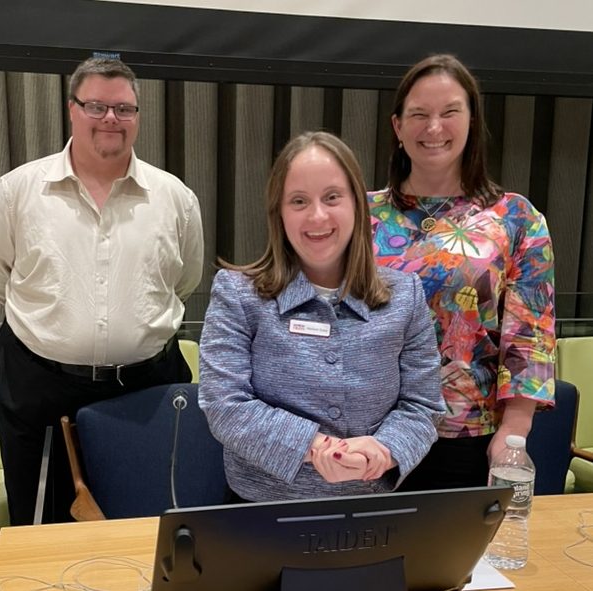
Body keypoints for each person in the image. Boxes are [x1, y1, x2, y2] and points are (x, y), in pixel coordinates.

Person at [0, 57, 203, 525]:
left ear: (138, 116)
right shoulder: (19, 191)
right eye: (96, 106)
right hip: (40, 390)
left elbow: (184, 281)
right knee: (42, 532)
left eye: (124, 109)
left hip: (145, 390)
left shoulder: (174, 198)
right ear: (72, 109)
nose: (111, 120)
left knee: (143, 528)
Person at [198, 131, 444, 503]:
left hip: (373, 512)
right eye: (298, 201)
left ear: (358, 206)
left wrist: (385, 450)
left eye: (332, 197)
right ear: (279, 213)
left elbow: (423, 405)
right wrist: (317, 447)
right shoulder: (237, 294)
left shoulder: (405, 296)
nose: (317, 216)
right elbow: (225, 405)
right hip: (259, 515)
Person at [369, 54, 556, 491]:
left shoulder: (516, 218)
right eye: (419, 114)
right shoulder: (361, 214)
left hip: (466, 438)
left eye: (450, 112)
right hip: (367, 436)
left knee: (455, 561)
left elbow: (530, 341)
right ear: (398, 128)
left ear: (472, 121)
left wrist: (513, 438)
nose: (434, 128)